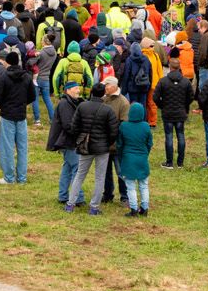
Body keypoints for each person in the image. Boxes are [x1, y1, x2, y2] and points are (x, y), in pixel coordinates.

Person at [67, 81, 119, 215]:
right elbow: (114, 131)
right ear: (103, 94)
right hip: (102, 148)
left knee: (80, 175)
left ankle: (70, 204)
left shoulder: (82, 106)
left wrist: (79, 139)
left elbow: (74, 126)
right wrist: (107, 143)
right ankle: (94, 207)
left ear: (91, 92)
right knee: (99, 177)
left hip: (85, 146)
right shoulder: (107, 110)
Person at [0, 50, 32, 183]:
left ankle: (9, 177)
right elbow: (32, 95)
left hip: (8, 115)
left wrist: (4, 106)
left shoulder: (4, 77)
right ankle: (22, 177)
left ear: (7, 62)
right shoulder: (26, 77)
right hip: (21, 115)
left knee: (7, 147)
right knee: (22, 147)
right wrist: (23, 104)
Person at [47, 77, 83, 202]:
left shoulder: (70, 102)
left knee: (67, 168)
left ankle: (63, 196)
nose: (79, 90)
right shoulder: (65, 104)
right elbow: (68, 125)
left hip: (67, 140)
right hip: (68, 141)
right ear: (68, 90)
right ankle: (77, 198)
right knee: (76, 169)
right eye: (76, 88)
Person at [116, 101, 154, 216]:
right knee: (143, 185)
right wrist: (145, 153)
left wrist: (122, 156)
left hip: (128, 159)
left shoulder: (124, 126)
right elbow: (149, 143)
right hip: (142, 158)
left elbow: (120, 144)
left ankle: (133, 209)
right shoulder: (146, 126)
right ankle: (144, 208)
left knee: (130, 187)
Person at [153, 59, 192, 168]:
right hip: (180, 113)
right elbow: (191, 97)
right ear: (179, 67)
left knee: (169, 136)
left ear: (170, 67)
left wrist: (162, 105)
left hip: (168, 113)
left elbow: (155, 97)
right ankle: (180, 162)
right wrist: (184, 106)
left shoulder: (163, 81)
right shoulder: (186, 81)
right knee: (181, 135)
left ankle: (169, 162)